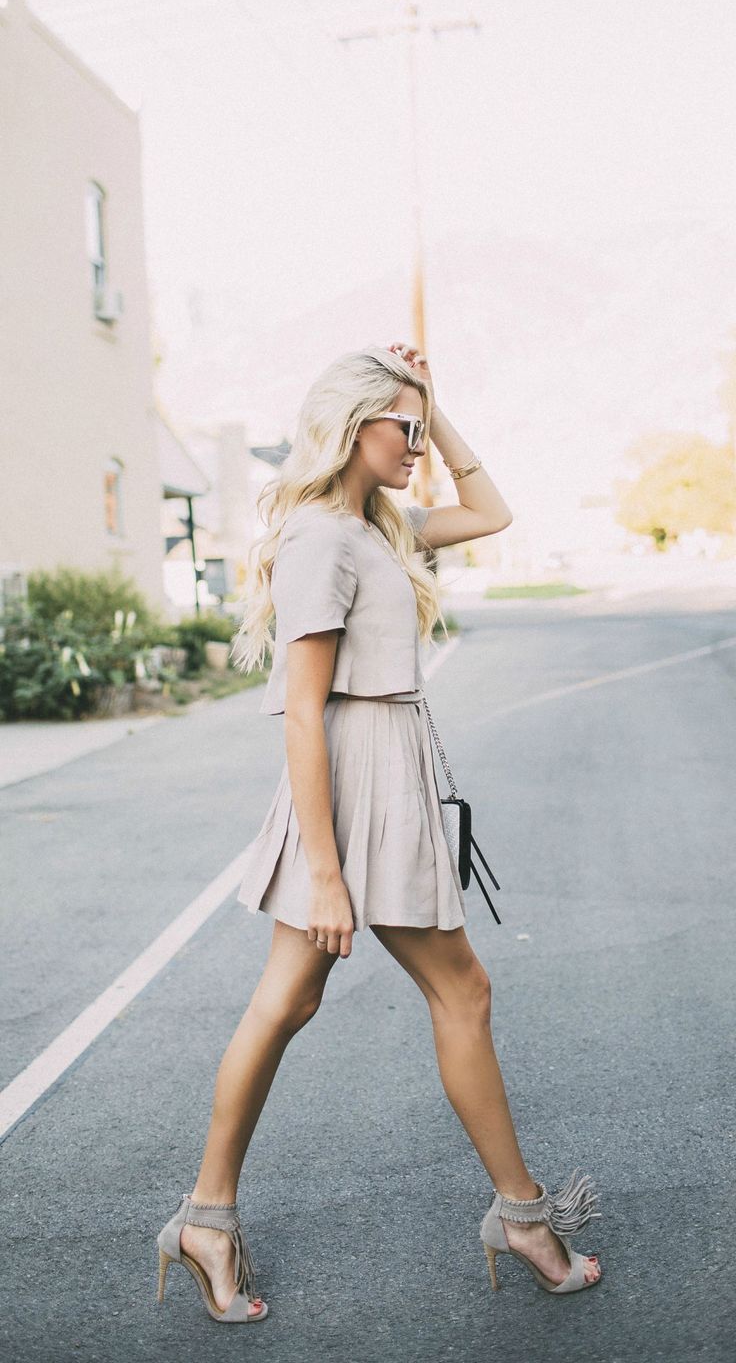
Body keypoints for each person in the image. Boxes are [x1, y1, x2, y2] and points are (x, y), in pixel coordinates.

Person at [155, 343, 602, 1322]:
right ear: (357, 428)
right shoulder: (323, 538)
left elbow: (492, 511)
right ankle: (521, 1215)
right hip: (354, 780)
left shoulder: (379, 523)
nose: (419, 449)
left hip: (383, 765)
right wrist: (325, 871)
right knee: (459, 989)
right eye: (404, 429)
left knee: (286, 1002)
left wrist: (434, 408)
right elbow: (303, 710)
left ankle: (206, 1218)